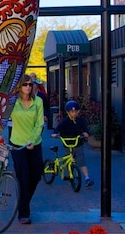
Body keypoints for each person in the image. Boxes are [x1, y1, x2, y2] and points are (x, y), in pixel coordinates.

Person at [10, 73, 45, 224]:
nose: (28, 87)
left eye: (30, 84)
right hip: (17, 144)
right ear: (19, 86)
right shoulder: (13, 102)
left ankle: (22, 202)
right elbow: (0, 118)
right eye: (25, 84)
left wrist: (33, 140)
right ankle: (24, 212)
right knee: (24, 178)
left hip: (34, 144)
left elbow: (39, 123)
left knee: (36, 175)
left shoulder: (38, 102)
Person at [51, 99, 94, 187]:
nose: (74, 113)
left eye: (76, 111)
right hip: (67, 143)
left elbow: (85, 128)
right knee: (67, 160)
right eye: (72, 112)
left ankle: (87, 178)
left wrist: (86, 133)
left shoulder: (80, 120)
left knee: (81, 160)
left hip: (77, 143)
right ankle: (68, 175)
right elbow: (58, 128)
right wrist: (55, 133)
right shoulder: (65, 121)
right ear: (68, 112)